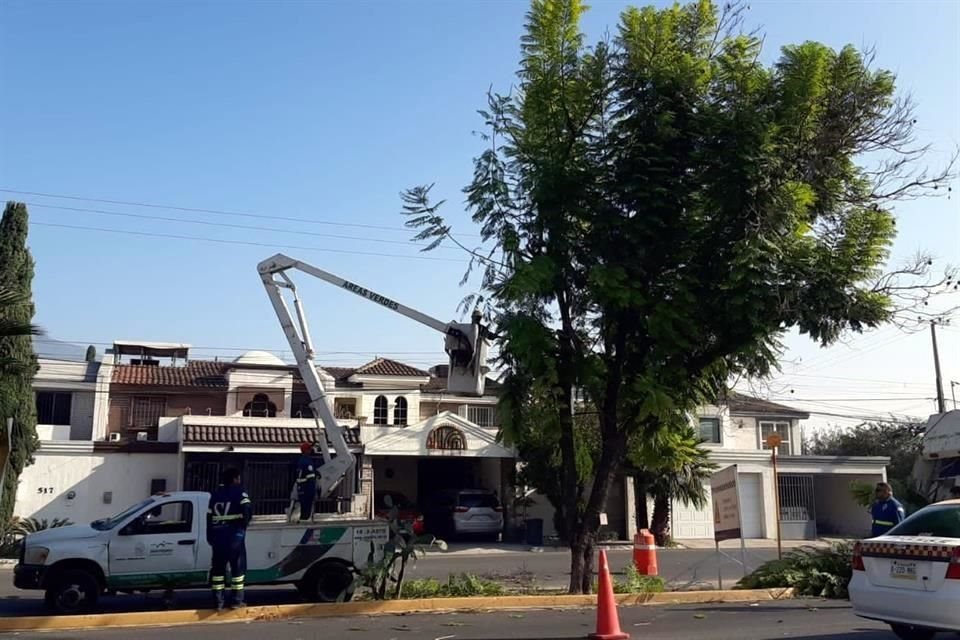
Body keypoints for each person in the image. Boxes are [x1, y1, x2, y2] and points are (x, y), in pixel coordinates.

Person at [207, 468, 253, 611]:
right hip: (234, 537)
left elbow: (208, 517)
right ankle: (237, 601)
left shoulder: (214, 495)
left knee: (218, 572)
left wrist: (210, 536)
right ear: (234, 479)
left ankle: (218, 602)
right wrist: (242, 527)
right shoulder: (240, 493)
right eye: (238, 478)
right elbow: (247, 512)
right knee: (237, 571)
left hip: (217, 537)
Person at [295, 442, 318, 521]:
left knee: (304, 509)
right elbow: (310, 477)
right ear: (306, 450)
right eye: (309, 449)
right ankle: (304, 523)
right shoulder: (307, 462)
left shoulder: (301, 461)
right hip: (307, 489)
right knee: (306, 510)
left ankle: (303, 520)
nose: (311, 451)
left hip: (301, 489)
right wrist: (313, 491)